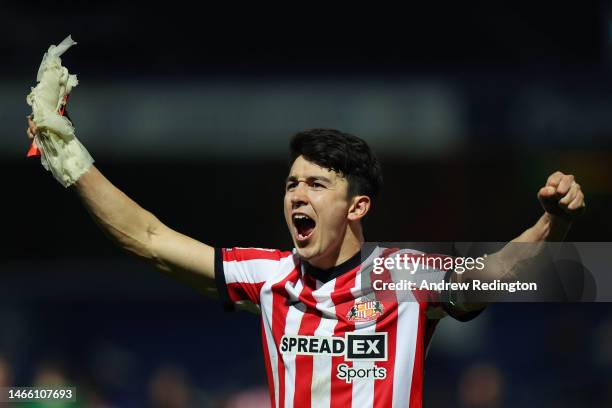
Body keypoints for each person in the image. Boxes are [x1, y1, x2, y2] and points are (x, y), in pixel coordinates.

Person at [26, 120, 585, 407]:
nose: (297, 195)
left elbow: (496, 276)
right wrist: (68, 154)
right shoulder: (268, 276)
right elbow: (147, 238)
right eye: (291, 184)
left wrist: (551, 224)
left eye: (317, 184)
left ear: (357, 206)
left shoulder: (406, 273)